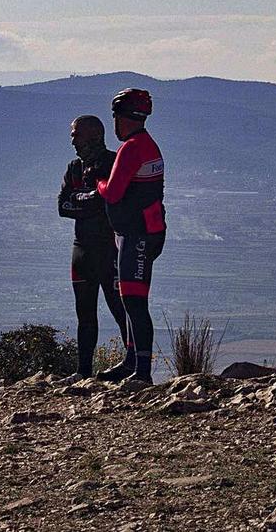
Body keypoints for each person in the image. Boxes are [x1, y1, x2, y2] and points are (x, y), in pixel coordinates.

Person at [93, 88, 165, 383]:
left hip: (137, 235)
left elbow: (113, 192)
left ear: (121, 118)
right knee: (130, 300)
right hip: (143, 232)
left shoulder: (132, 148)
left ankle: (142, 372)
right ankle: (131, 362)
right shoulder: (148, 144)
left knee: (135, 302)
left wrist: (98, 182)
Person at [58, 116, 129, 378]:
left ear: (94, 135)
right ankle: (83, 372)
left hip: (110, 250)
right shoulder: (73, 168)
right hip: (82, 250)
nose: (73, 141)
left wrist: (83, 201)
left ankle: (134, 366)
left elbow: (107, 202)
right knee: (84, 313)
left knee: (121, 310)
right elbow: (62, 207)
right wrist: (90, 198)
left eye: (76, 135)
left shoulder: (113, 163)